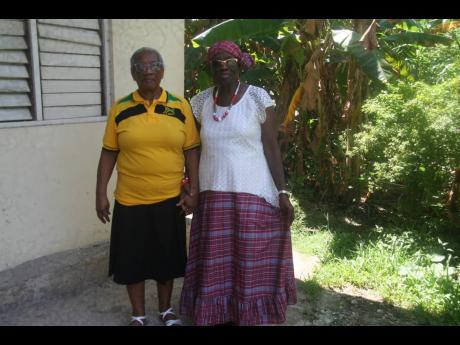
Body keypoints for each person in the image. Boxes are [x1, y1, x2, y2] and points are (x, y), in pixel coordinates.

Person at [179, 41, 297, 326]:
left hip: (253, 192)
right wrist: (189, 187)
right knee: (216, 263)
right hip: (213, 194)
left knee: (248, 259)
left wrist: (281, 191)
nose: (223, 67)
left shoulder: (257, 98)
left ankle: (249, 313)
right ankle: (217, 313)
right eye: (216, 62)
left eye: (228, 61)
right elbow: (191, 149)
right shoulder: (200, 102)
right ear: (210, 69)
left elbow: (271, 147)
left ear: (240, 64)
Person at [95, 47, 200, 326]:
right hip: (130, 200)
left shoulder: (179, 106)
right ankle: (138, 314)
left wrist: (194, 190)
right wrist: (100, 193)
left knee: (165, 261)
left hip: (169, 199)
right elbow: (109, 152)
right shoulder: (120, 109)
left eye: (154, 65)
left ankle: (166, 311)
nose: (148, 70)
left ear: (162, 70)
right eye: (140, 67)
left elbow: (191, 149)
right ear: (132, 73)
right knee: (133, 262)